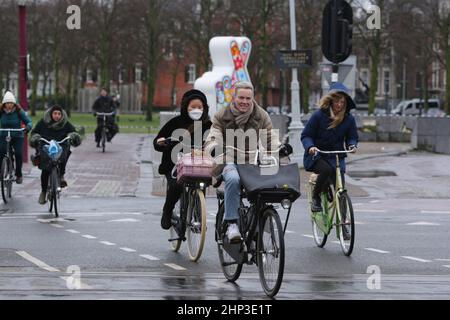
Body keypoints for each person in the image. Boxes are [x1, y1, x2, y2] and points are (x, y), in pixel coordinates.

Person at [204, 81, 292, 243]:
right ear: (234, 97)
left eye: (248, 98)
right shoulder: (222, 115)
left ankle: (258, 219)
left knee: (266, 187)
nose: (244, 101)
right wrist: (214, 147)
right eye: (241, 98)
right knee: (233, 179)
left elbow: (269, 136)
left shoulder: (261, 115)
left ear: (253, 99)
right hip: (229, 160)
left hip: (252, 163)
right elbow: (214, 134)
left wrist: (280, 148)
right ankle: (231, 224)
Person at [153, 89, 212, 230]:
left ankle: (198, 214)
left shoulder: (208, 125)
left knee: (202, 182)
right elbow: (158, 141)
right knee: (176, 185)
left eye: (200, 107)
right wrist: (162, 142)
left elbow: (216, 143)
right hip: (174, 164)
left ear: (204, 109)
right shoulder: (175, 123)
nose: (196, 110)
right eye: (193, 107)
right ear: (186, 107)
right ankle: (167, 211)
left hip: (199, 164)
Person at [301, 82, 358, 213]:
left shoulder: (349, 119)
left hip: (337, 156)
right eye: (337, 101)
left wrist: (352, 145)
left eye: (342, 102)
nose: (339, 105)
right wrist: (310, 147)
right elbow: (306, 135)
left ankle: (344, 222)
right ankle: (316, 198)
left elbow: (352, 136)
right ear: (331, 100)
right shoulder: (318, 116)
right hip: (317, 155)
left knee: (341, 188)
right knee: (326, 170)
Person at [29, 105, 82, 204]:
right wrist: (36, 137)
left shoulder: (65, 123)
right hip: (46, 145)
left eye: (59, 114)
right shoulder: (43, 122)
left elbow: (73, 132)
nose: (57, 116)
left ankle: (61, 175)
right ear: (51, 114)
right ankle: (43, 192)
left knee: (64, 154)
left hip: (61, 145)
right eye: (55, 113)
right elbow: (34, 132)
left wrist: (73, 136)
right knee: (45, 169)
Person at [0, 91, 32, 184]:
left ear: (14, 103)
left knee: (18, 154)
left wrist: (28, 127)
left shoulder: (18, 111)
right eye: (7, 103)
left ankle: (18, 174)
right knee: (1, 152)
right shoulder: (1, 111)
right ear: (4, 104)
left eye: (11, 103)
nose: (9, 105)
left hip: (17, 136)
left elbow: (28, 121)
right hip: (4, 135)